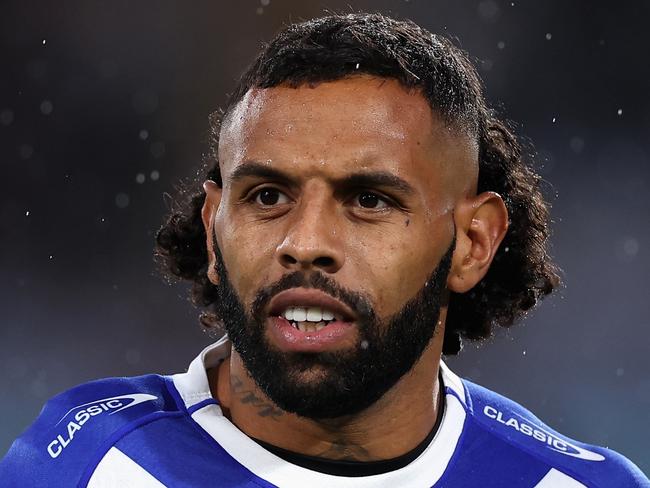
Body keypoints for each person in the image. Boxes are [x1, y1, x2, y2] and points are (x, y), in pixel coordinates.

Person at [1, 12, 647, 488]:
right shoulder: (86, 467)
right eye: (266, 196)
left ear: (473, 242)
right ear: (212, 230)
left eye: (368, 200)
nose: (304, 244)